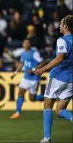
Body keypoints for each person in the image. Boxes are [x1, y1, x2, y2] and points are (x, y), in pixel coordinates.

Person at [35, 15, 73, 143]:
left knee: (48, 105)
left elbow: (60, 57)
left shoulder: (62, 40)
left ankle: (47, 138)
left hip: (58, 77)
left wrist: (43, 68)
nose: (59, 26)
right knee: (60, 110)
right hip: (71, 80)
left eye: (61, 24)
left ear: (66, 27)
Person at [10, 38, 46, 119]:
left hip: (34, 78)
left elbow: (43, 62)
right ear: (23, 44)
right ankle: (17, 113)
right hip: (26, 78)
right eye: (24, 43)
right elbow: (22, 63)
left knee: (32, 98)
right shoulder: (23, 53)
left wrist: (34, 69)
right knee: (20, 93)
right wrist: (15, 73)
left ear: (30, 44)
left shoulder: (34, 53)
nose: (26, 44)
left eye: (27, 43)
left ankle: (49, 97)